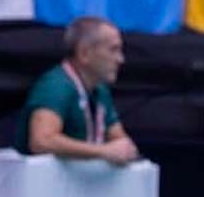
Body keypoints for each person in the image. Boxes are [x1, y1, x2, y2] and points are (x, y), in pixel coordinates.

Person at [14, 16, 138, 165]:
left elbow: (119, 140)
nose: (120, 59)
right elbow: (42, 141)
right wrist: (103, 151)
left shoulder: (99, 89)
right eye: (113, 50)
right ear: (84, 53)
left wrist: (123, 149)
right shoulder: (56, 85)